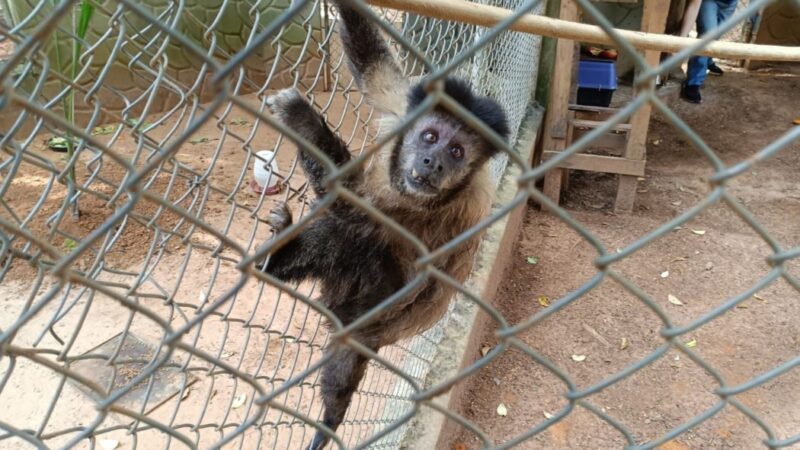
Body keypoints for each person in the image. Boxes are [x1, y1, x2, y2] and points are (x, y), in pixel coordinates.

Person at [681, 0, 739, 103]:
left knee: (716, 35)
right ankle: (693, 82)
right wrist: (681, 39)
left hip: (730, 3)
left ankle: (708, 61)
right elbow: (695, 3)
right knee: (708, 35)